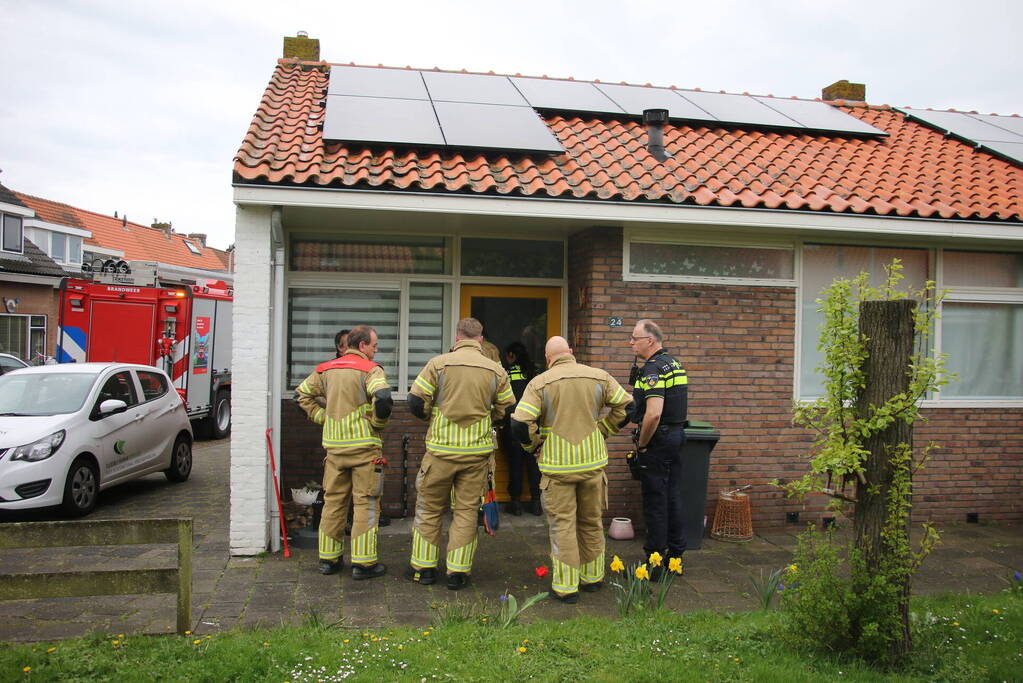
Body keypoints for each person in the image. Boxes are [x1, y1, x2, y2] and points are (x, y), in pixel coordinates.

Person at [510, 336, 632, 603]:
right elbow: (628, 406)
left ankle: (566, 588)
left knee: (563, 526)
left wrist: (533, 446)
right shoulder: (599, 377)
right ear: (571, 352)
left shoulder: (540, 383)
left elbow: (519, 424)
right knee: (591, 522)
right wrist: (604, 431)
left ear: (548, 357)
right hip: (592, 466)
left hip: (558, 468)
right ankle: (592, 579)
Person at [406, 318, 515, 590]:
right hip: (476, 454)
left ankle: (424, 569)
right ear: (480, 339)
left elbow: (416, 401)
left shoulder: (438, 364)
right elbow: (507, 410)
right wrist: (492, 420)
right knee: (466, 511)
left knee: (429, 509)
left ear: (457, 336)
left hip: (441, 451)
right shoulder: (496, 370)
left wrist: (431, 418)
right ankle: (458, 572)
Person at [294, 325, 391, 579]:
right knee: (366, 504)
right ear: (362, 346)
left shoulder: (325, 369)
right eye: (373, 345)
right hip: (364, 450)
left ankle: (329, 560)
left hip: (335, 450)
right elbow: (383, 398)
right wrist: (378, 425)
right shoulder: (371, 369)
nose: (375, 349)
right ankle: (363, 564)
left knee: (333, 504)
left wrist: (322, 417)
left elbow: (301, 396)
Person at [627, 319, 688, 577]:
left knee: (655, 502)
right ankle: (675, 558)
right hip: (676, 436)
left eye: (634, 338)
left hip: (658, 441)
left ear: (649, 341)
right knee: (673, 497)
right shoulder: (674, 363)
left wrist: (642, 446)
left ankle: (654, 564)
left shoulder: (652, 369)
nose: (631, 342)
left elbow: (653, 414)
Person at [501, 342, 541, 516]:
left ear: (511, 355)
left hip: (512, 425)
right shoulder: (535, 373)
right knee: (534, 465)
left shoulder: (506, 373)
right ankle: (536, 503)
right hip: (533, 425)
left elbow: (502, 400)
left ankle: (515, 503)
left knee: (515, 464)